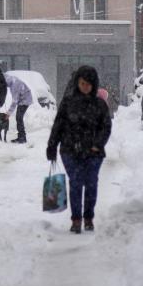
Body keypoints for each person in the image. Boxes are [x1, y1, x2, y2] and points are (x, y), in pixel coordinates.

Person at [46, 66, 112, 234]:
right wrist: (52, 145)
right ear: (77, 83)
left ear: (94, 85)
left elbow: (106, 127)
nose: (85, 87)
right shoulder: (68, 103)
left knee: (91, 183)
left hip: (93, 152)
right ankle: (76, 219)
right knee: (76, 182)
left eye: (89, 84)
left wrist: (98, 144)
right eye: (82, 83)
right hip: (69, 150)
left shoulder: (99, 105)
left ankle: (88, 217)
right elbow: (58, 125)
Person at [2, 73, 33, 144]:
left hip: (25, 100)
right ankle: (21, 137)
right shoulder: (11, 79)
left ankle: (22, 138)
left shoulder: (14, 85)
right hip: (23, 99)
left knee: (19, 118)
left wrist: (8, 113)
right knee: (19, 118)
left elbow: (14, 101)